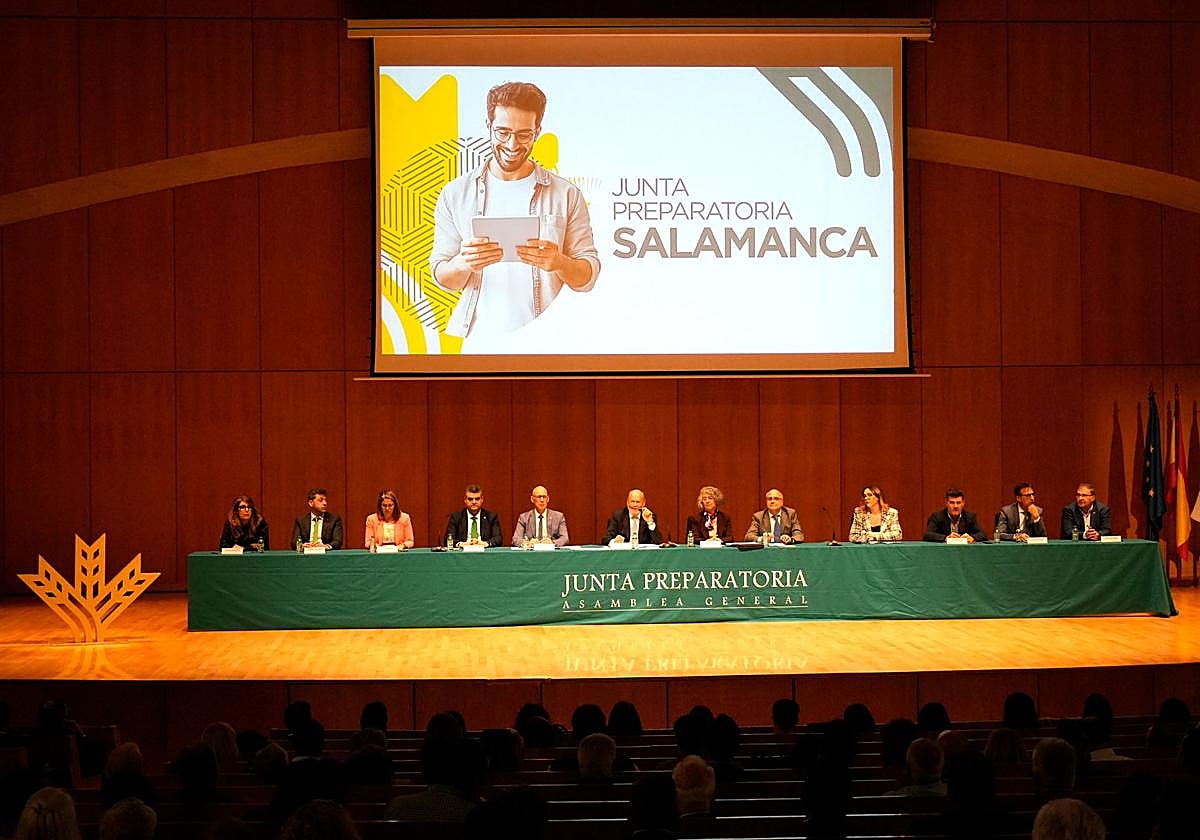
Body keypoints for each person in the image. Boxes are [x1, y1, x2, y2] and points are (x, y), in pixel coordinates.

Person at [429, 81, 600, 348]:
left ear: (537, 132)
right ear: (488, 126)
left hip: (549, 341)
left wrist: (559, 262)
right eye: (502, 132)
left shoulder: (566, 194)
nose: (512, 144)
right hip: (477, 340)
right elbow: (442, 277)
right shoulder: (455, 194)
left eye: (524, 135)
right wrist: (464, 263)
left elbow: (587, 277)